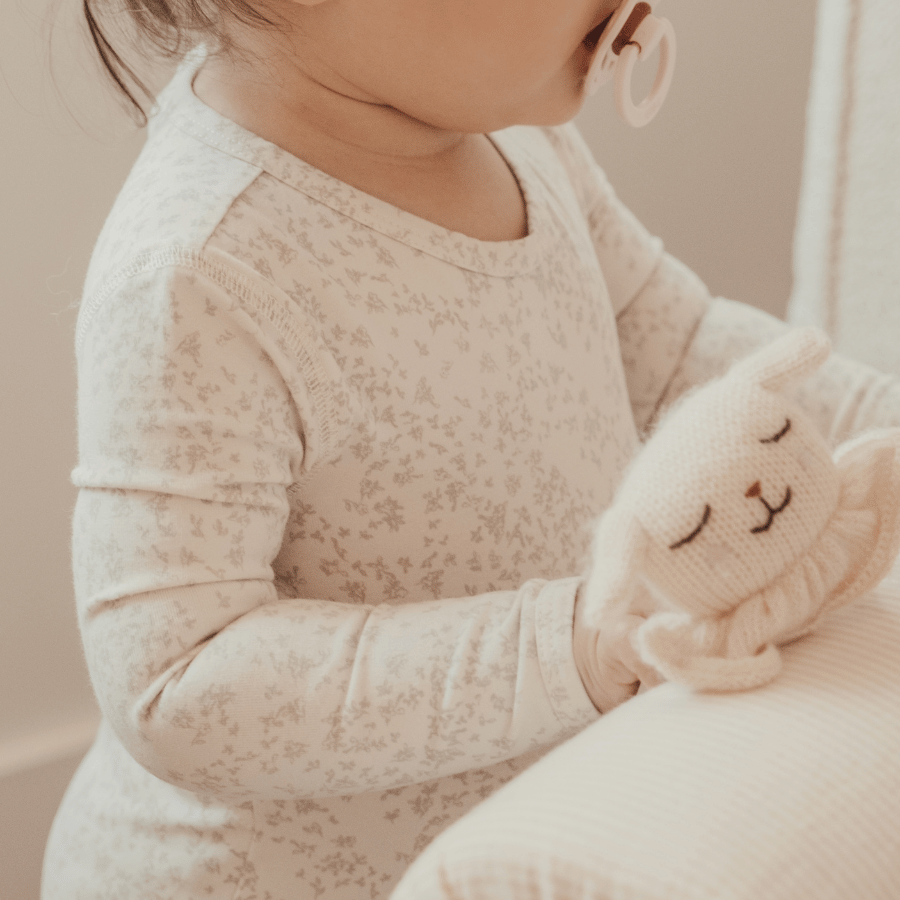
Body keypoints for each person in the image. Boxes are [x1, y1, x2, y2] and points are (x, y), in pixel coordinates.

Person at [42, 1, 900, 897]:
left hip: (528, 829)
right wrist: (570, 647)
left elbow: (676, 346)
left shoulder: (512, 133)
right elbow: (179, 683)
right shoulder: (198, 272)